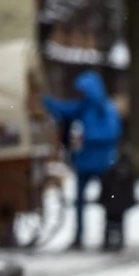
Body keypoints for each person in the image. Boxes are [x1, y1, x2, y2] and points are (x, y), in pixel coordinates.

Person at [43, 70, 122, 251]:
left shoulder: (106, 109)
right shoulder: (84, 107)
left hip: (102, 163)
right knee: (80, 202)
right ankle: (79, 236)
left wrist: (87, 139)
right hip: (84, 162)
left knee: (107, 200)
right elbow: (63, 109)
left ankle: (109, 234)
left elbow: (112, 133)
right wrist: (45, 101)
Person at [97, 147, 136, 252]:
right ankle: (115, 241)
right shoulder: (112, 173)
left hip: (114, 202)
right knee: (115, 222)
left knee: (113, 222)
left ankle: (112, 241)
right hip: (115, 202)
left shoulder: (111, 172)